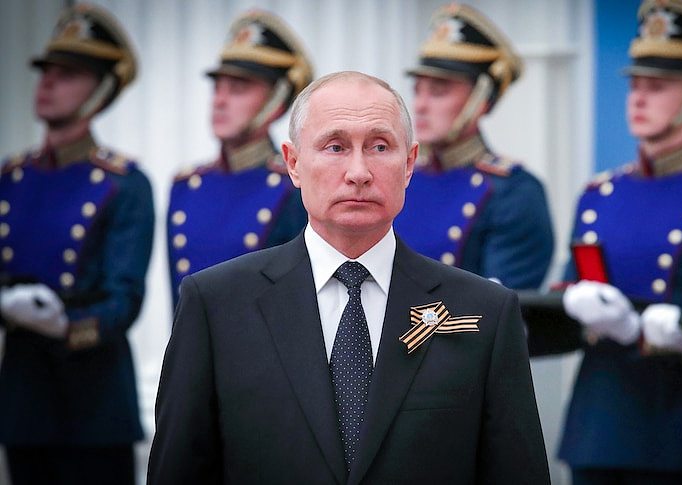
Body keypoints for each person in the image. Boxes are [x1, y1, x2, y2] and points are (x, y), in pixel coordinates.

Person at [147, 71, 550, 484]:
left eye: (379, 146)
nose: (359, 171)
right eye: (335, 146)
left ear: (409, 164)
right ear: (294, 163)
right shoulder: (217, 305)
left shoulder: (484, 312)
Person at [555, 1, 682, 483]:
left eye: (659, 87)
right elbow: (569, 293)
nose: (638, 99)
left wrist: (634, 328)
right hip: (598, 422)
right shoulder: (601, 193)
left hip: (676, 428)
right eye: (635, 85)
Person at [0, 4, 154, 484]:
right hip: (25, 399)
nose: (47, 83)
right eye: (47, 71)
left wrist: (64, 326)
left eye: (67, 74)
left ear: (101, 89)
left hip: (94, 405)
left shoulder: (124, 184)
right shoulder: (12, 177)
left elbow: (123, 300)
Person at [393, 3, 553, 290]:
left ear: (480, 99)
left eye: (439, 91)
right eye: (418, 90)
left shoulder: (513, 192)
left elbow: (499, 312)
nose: (420, 105)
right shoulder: (395, 178)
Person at [167, 10, 312, 307]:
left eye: (238, 88)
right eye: (218, 87)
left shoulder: (296, 187)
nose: (219, 100)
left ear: (276, 99)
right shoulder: (186, 185)